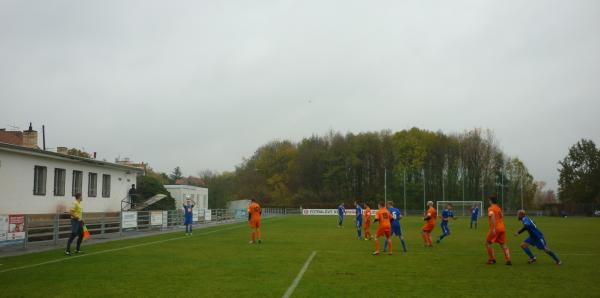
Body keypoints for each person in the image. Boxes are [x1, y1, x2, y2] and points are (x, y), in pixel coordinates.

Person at [486, 196, 511, 265]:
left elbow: (492, 216)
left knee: (488, 243)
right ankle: (508, 259)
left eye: (489, 200)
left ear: (491, 201)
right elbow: (502, 216)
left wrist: (493, 228)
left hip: (495, 228)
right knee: (503, 244)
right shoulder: (498, 208)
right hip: (502, 228)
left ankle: (492, 259)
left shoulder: (491, 208)